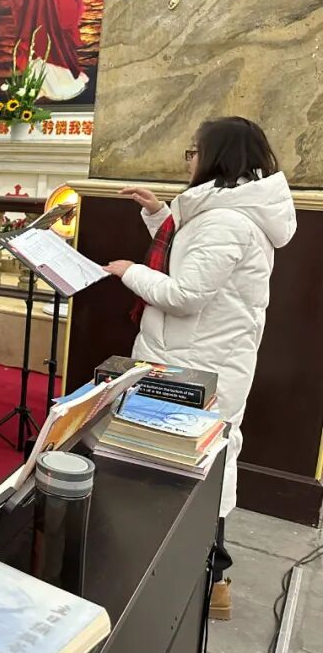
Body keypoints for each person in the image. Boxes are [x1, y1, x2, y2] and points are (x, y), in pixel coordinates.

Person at [104, 117, 296, 621]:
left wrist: (130, 272)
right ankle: (202, 578)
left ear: (216, 156)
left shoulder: (226, 221)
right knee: (193, 463)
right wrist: (158, 214)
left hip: (195, 365)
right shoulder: (230, 210)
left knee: (193, 468)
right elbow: (192, 259)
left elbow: (186, 293)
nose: (188, 159)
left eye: (194, 151)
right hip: (202, 356)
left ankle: (208, 579)